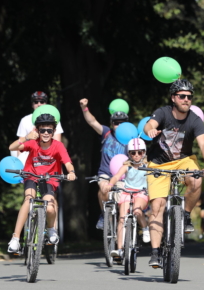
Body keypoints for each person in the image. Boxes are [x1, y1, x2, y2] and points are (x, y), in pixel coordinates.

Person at [144, 79, 204, 267]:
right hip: (159, 164)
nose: (186, 100)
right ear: (173, 98)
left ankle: (185, 214)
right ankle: (155, 252)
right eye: (182, 96)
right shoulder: (163, 112)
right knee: (157, 206)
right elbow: (149, 124)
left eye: (189, 97)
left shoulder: (194, 120)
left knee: (196, 179)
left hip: (184, 161)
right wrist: (151, 130)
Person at [7, 113, 76, 253]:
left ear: (53, 131)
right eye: (42, 130)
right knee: (28, 200)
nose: (45, 133)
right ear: (37, 130)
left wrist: (71, 172)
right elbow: (12, 147)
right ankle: (15, 238)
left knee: (50, 207)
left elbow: (67, 162)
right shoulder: (33, 142)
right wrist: (26, 137)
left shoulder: (58, 146)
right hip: (31, 176)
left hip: (49, 179)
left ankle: (51, 230)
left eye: (49, 130)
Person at [79, 98, 128, 229]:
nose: (119, 125)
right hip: (105, 174)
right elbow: (92, 121)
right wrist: (85, 108)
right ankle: (104, 215)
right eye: (116, 123)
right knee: (103, 190)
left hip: (123, 176)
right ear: (112, 124)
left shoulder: (131, 137)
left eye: (122, 123)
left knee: (124, 200)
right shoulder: (106, 133)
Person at [103, 138, 151, 259]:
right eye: (133, 153)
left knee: (137, 210)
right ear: (128, 154)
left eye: (140, 152)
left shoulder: (148, 166)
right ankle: (119, 249)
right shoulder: (127, 166)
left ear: (144, 152)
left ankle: (145, 228)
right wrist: (110, 184)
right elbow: (117, 176)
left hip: (141, 193)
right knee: (122, 218)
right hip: (126, 192)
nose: (136, 155)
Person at [14, 91, 64, 166]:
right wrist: (19, 164)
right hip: (30, 160)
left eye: (42, 101)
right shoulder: (25, 120)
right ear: (32, 104)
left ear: (46, 103)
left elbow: (57, 143)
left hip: (49, 159)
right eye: (36, 102)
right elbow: (20, 144)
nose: (39, 104)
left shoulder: (54, 119)